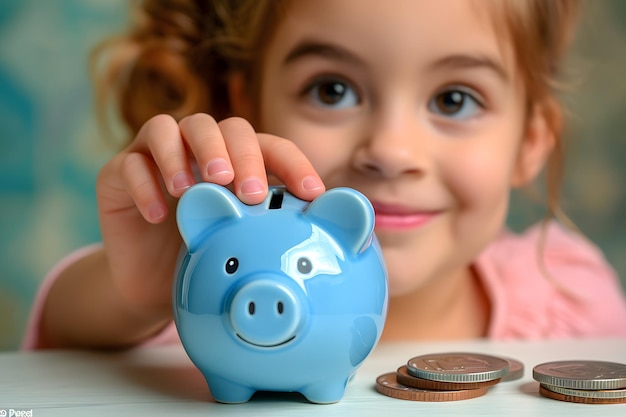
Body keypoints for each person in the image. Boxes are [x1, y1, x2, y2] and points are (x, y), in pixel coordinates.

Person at [23, 0, 626, 349]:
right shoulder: (196, 306)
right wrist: (135, 299)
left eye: (454, 100)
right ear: (249, 105)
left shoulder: (573, 302)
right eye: (331, 89)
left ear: (530, 141)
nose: (390, 151)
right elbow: (60, 354)